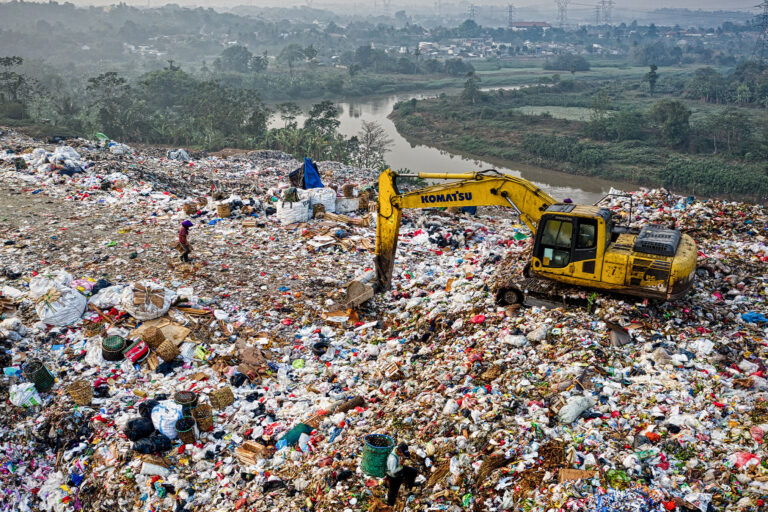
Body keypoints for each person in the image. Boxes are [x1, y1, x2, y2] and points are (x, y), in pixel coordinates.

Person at [385, 443, 418, 507]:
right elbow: (393, 471)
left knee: (413, 471)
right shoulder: (392, 459)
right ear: (399, 451)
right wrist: (401, 465)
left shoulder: (397, 449)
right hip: (392, 475)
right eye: (402, 454)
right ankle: (390, 504)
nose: (403, 455)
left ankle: (409, 486)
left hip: (399, 468)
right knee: (393, 491)